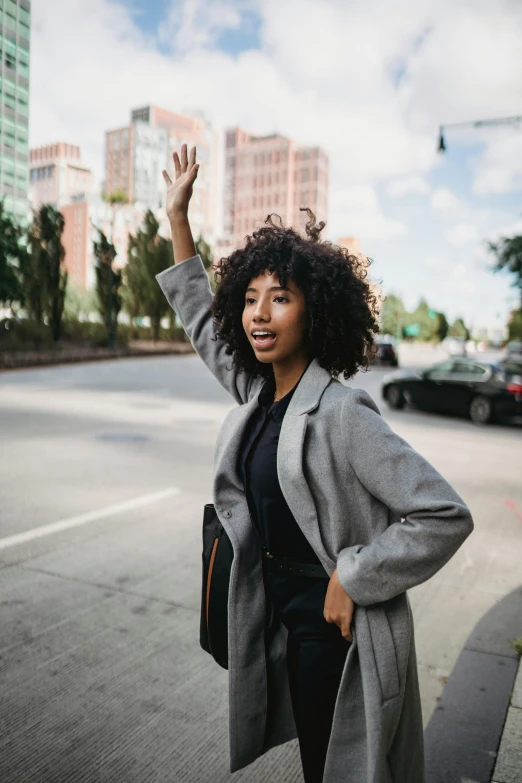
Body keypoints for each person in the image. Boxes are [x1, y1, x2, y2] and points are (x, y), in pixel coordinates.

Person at [156, 145, 474, 783]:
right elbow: (198, 318)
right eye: (249, 299)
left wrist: (353, 576)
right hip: (279, 618)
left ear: (315, 312)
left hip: (336, 632)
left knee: (340, 769)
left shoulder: (342, 413)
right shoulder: (257, 397)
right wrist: (178, 221)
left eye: (279, 299)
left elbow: (444, 514)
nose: (259, 314)